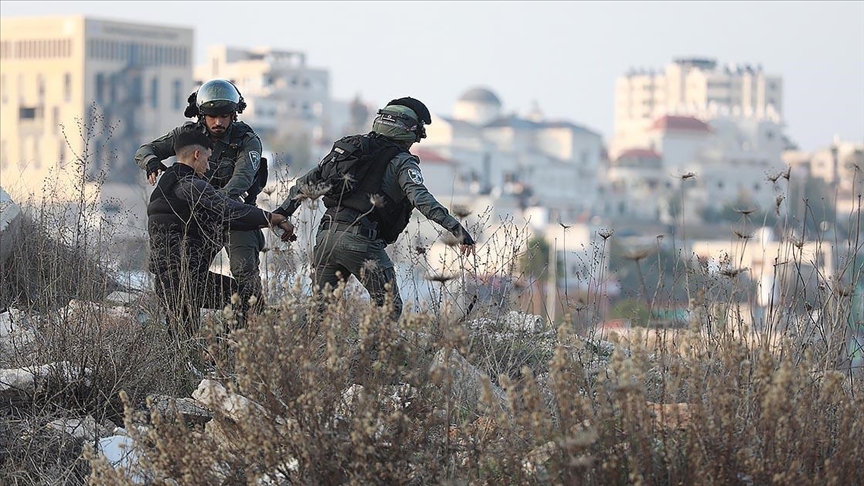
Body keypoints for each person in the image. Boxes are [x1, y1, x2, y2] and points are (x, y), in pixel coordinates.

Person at [273, 97, 474, 319]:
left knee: (317, 310)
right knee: (389, 308)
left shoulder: (350, 148)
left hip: (326, 236)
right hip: (361, 241)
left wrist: (282, 213)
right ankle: (374, 353)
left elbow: (306, 183)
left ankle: (296, 350)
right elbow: (422, 199)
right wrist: (457, 230)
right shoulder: (402, 161)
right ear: (406, 132)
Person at [135, 79, 267, 315]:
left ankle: (251, 329)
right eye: (212, 116)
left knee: (245, 274)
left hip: (234, 216)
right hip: (199, 222)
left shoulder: (246, 140)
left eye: (225, 116)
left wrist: (214, 202)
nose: (218, 122)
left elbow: (242, 179)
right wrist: (152, 163)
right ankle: (188, 340)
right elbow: (145, 150)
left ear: (233, 115)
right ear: (201, 115)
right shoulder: (188, 135)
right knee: (186, 279)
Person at [147, 130, 294, 338]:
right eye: (207, 159)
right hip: (188, 279)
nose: (208, 167)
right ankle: (220, 351)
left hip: (166, 281)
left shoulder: (165, 188)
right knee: (248, 298)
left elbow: (224, 218)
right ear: (197, 155)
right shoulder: (190, 186)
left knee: (181, 344)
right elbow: (228, 209)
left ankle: (195, 365)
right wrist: (271, 218)